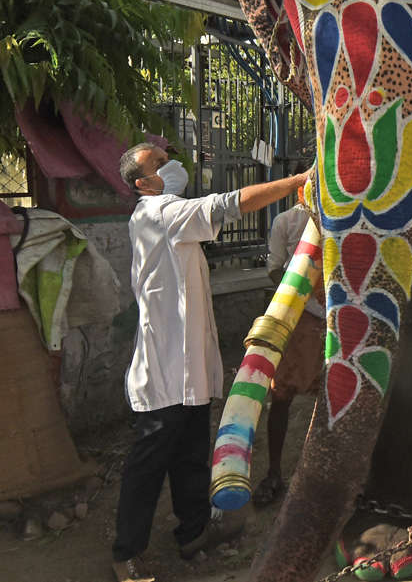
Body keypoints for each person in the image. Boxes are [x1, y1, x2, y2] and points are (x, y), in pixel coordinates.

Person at [111, 143, 307, 582]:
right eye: (160, 164)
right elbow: (231, 204)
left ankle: (194, 532)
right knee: (148, 465)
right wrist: (299, 181)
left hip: (189, 369)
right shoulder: (158, 214)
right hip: (162, 374)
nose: (173, 165)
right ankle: (126, 553)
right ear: (143, 183)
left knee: (191, 454)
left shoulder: (173, 216)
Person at [253, 167, 326, 506]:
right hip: (298, 322)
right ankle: (276, 473)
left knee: (327, 399)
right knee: (281, 396)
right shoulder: (287, 222)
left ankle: (310, 474)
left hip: (324, 320)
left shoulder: (339, 221)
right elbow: (274, 267)